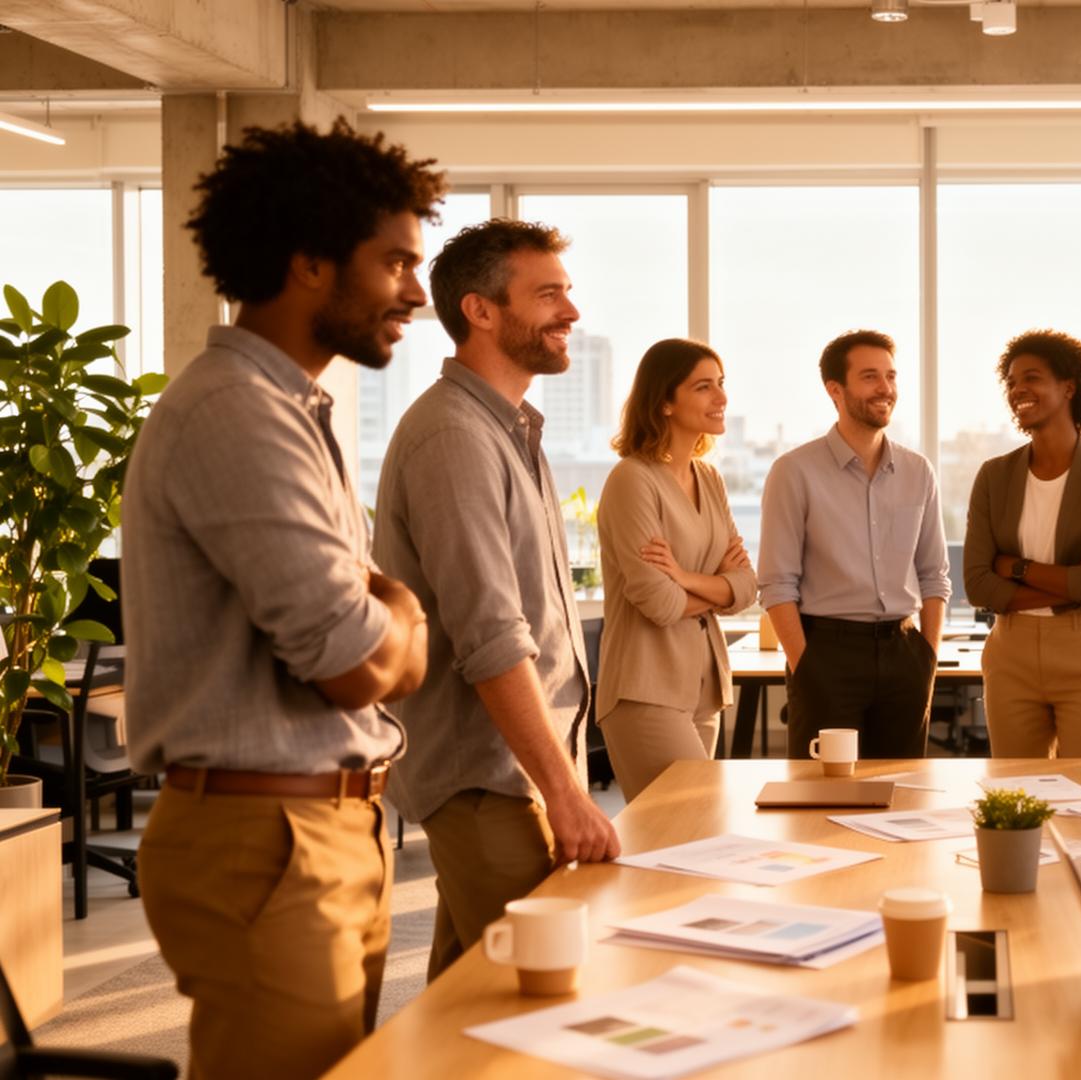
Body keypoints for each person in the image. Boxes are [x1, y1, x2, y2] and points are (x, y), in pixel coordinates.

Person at [122, 120, 440, 1079]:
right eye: (395, 263)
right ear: (309, 264)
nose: (416, 294)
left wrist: (387, 612)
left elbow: (368, 626)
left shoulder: (292, 409)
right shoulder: (237, 412)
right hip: (268, 840)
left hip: (321, 829)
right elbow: (356, 662)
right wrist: (407, 615)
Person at [373, 219, 620, 982]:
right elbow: (491, 635)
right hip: (490, 778)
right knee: (539, 991)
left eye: (567, 293)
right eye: (547, 295)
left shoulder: (510, 430)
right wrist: (565, 794)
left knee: (466, 993)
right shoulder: (453, 438)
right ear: (479, 310)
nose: (571, 312)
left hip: (518, 770)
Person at [758, 330, 950, 760]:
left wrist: (928, 658)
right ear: (835, 390)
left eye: (891, 376)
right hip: (826, 654)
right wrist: (806, 668)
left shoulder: (918, 471)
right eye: (869, 377)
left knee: (901, 788)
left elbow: (934, 575)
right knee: (822, 791)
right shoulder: (794, 471)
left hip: (905, 654)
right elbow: (776, 583)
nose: (885, 388)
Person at [963, 330, 1081, 757]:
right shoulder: (994, 475)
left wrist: (1015, 567)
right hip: (1011, 652)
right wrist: (1074, 579)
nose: (1017, 389)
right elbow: (978, 586)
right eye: (1011, 382)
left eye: (1032, 378)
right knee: (1016, 789)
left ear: (1069, 387)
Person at [596, 338, 758, 799]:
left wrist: (684, 578)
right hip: (645, 688)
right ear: (664, 401)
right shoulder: (632, 480)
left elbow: (749, 588)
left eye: (721, 383)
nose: (721, 397)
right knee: (681, 826)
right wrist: (719, 587)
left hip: (704, 688)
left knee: (696, 832)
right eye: (703, 387)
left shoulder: (710, 477)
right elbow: (660, 604)